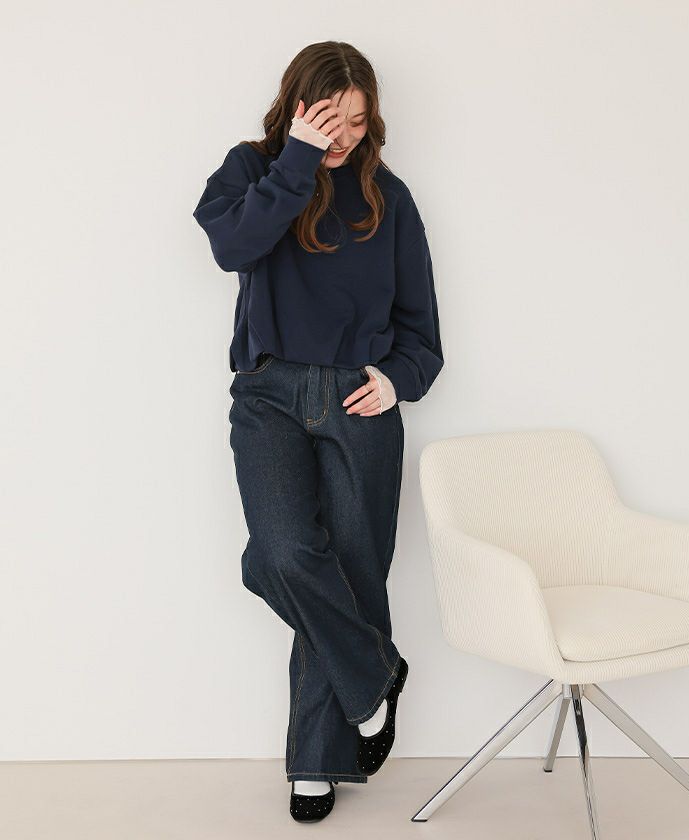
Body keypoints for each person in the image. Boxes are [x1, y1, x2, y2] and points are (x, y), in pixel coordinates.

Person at [192, 40, 443, 822]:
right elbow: (233, 246)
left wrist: (397, 379)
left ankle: (315, 764)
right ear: (298, 109)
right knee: (280, 555)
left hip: (357, 400)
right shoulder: (252, 170)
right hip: (267, 394)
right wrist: (297, 160)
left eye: (358, 123)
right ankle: (374, 676)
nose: (345, 138)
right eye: (331, 121)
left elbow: (422, 330)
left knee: (353, 574)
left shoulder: (389, 199)